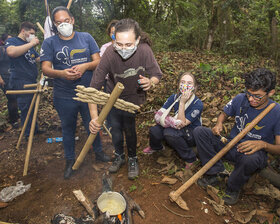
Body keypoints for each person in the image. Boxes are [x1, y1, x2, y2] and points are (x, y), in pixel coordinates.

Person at [40, 6, 109, 179]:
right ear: (55, 26)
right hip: (64, 94)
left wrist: (85, 66)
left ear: (72, 20)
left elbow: (98, 61)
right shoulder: (50, 43)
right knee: (68, 128)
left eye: (66, 20)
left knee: (93, 124)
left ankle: (99, 153)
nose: (64, 24)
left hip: (87, 93)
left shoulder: (86, 38)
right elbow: (46, 69)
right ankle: (70, 160)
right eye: (59, 22)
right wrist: (62, 74)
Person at [89, 18, 163, 179]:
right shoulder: (109, 53)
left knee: (129, 127)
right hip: (113, 96)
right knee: (115, 127)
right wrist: (95, 118)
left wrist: (151, 82)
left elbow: (157, 74)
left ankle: (133, 158)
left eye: (129, 45)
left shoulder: (144, 50)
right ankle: (119, 155)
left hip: (133, 96)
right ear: (114, 40)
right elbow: (93, 88)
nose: (123, 49)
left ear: (137, 39)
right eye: (119, 44)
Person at [193, 68, 280, 205]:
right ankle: (215, 172)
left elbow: (278, 148)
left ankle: (233, 187)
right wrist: (219, 124)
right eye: (249, 93)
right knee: (200, 132)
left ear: (271, 93)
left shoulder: (276, 112)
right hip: (230, 144)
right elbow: (224, 114)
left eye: (257, 96)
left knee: (250, 160)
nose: (251, 99)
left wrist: (262, 144)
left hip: (252, 154)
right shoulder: (241, 98)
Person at [143, 72, 203, 168]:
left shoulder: (197, 103)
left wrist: (182, 102)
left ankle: (190, 158)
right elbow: (160, 114)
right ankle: (157, 147)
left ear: (195, 87)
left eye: (189, 83)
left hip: (191, 132)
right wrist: (167, 120)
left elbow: (182, 123)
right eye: (182, 82)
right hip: (175, 124)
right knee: (154, 130)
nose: (185, 85)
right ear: (179, 84)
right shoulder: (174, 97)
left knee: (169, 132)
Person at [6, 22, 40, 137]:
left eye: (33, 34)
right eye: (30, 33)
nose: (32, 35)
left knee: (33, 106)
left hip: (31, 80)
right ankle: (28, 134)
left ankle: (34, 129)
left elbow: (38, 58)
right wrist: (32, 43)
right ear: (23, 31)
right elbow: (11, 52)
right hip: (20, 80)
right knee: (26, 107)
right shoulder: (13, 41)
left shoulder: (28, 45)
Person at [0, 34, 19, 127]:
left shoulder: (13, 50)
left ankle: (17, 117)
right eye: (8, 40)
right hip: (5, 78)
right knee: (12, 99)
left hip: (13, 77)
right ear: (3, 41)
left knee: (17, 98)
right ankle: (13, 120)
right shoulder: (1, 50)